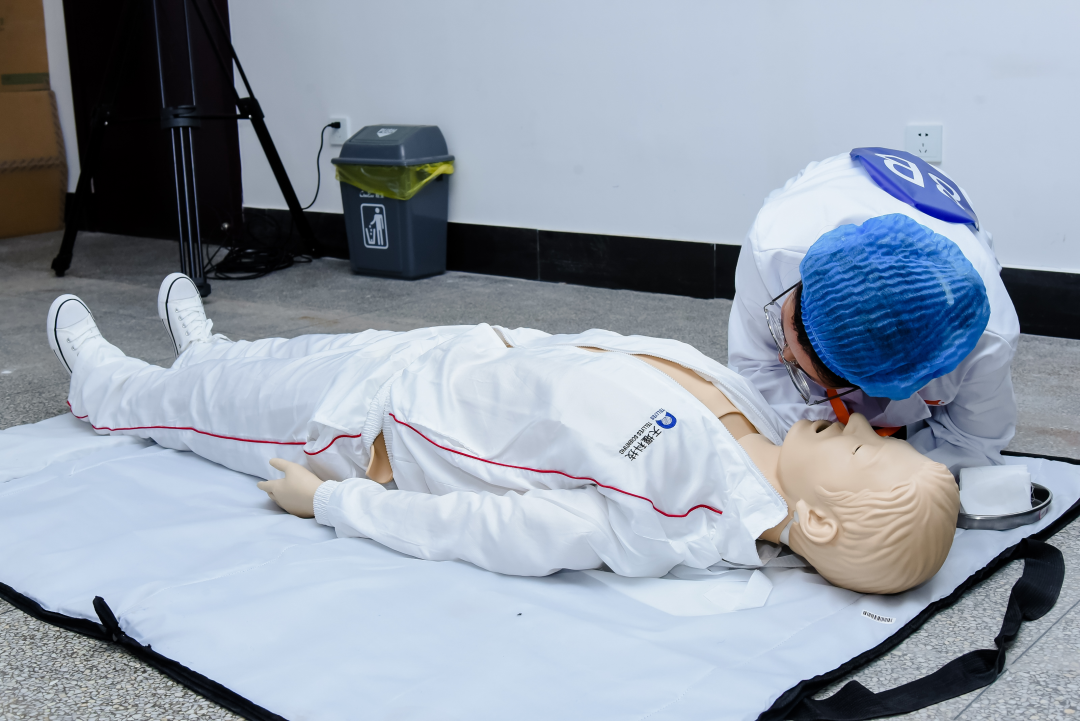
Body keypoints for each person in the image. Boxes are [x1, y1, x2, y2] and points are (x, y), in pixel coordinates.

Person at [46, 273, 960, 594]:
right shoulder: (761, 419)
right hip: (444, 357)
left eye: (865, 448)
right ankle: (212, 354)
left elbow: (486, 529)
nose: (862, 424)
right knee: (268, 362)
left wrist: (333, 502)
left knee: (211, 410)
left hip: (369, 429)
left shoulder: (674, 515)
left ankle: (109, 386)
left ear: (820, 519)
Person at [728, 150, 1020, 477]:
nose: (783, 355)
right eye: (783, 334)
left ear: (859, 385)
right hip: (832, 186)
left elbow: (974, 444)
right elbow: (756, 369)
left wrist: (886, 476)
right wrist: (815, 451)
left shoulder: (988, 340)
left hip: (950, 223)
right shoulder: (774, 247)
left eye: (799, 365)